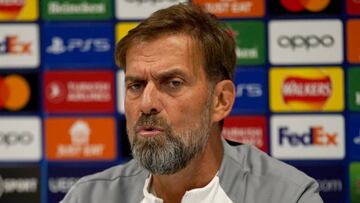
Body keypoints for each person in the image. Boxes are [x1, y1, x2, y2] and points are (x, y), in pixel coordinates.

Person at [61, 3, 323, 203]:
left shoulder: (287, 196)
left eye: (173, 83)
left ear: (220, 101)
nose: (147, 103)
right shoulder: (87, 197)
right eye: (136, 86)